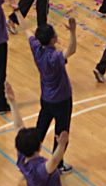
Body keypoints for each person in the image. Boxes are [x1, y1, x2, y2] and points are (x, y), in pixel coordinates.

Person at [30, 19, 78, 152]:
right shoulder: (54, 57)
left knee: (40, 129)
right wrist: (73, 31)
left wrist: (17, 12)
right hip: (62, 100)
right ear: (53, 39)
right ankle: (57, 162)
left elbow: (28, 32)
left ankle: (29, 154)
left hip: (46, 98)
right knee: (61, 133)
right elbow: (71, 50)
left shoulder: (36, 49)